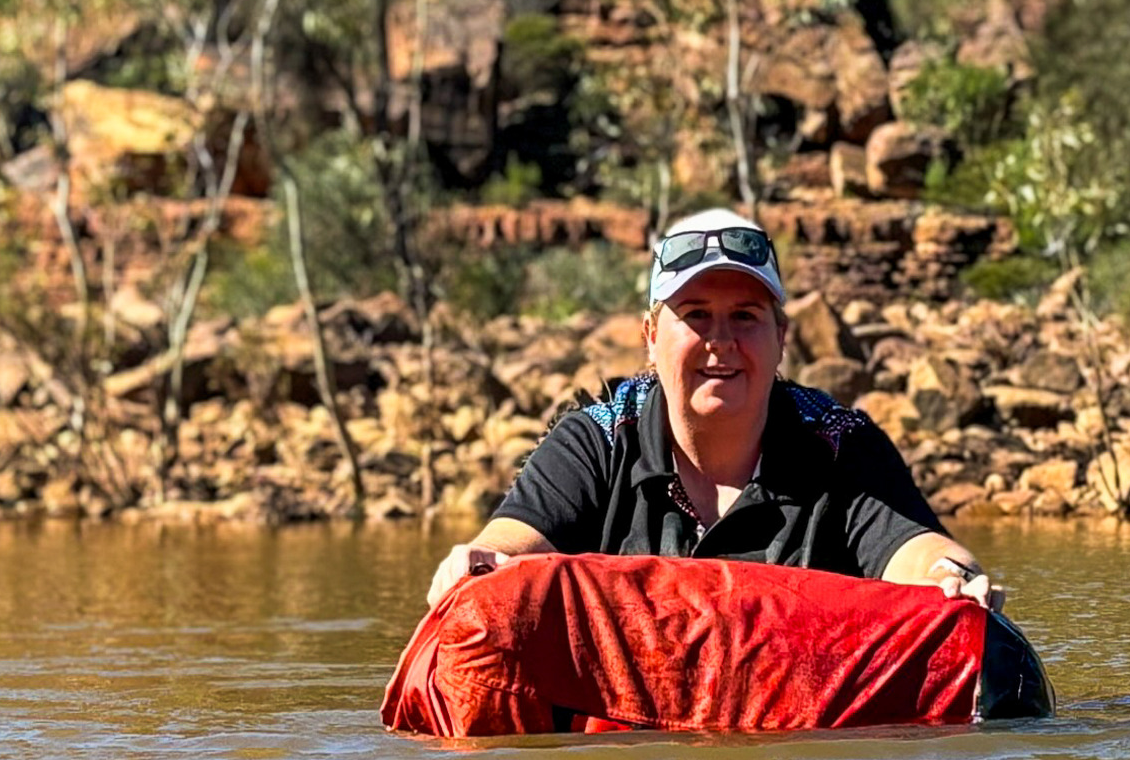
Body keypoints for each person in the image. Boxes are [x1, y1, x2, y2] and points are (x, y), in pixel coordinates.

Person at [425, 207, 998, 613]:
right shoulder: (597, 437)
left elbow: (914, 548)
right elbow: (515, 540)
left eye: (745, 316)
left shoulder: (840, 443)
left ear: (782, 336)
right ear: (651, 335)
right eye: (695, 315)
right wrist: (481, 559)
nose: (720, 341)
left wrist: (951, 577)